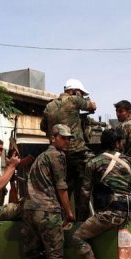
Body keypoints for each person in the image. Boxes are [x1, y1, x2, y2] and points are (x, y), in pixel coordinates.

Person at [71, 128, 131, 259]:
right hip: (127, 210)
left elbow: (85, 193)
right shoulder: (129, 161)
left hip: (110, 213)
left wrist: (81, 218)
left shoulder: (93, 162)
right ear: (118, 143)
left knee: (78, 237)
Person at [21, 124, 75, 259]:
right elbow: (62, 187)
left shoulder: (40, 158)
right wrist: (68, 212)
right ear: (53, 137)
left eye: (69, 138)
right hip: (47, 211)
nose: (67, 141)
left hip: (29, 211)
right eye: (64, 137)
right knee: (55, 256)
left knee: (31, 255)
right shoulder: (57, 156)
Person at [40, 79, 97, 218]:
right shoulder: (73, 100)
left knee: (63, 188)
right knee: (86, 185)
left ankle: (61, 218)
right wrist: (84, 102)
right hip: (77, 153)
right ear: (74, 91)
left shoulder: (49, 106)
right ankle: (82, 220)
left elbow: (42, 127)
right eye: (81, 94)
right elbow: (93, 106)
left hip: (59, 155)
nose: (81, 97)